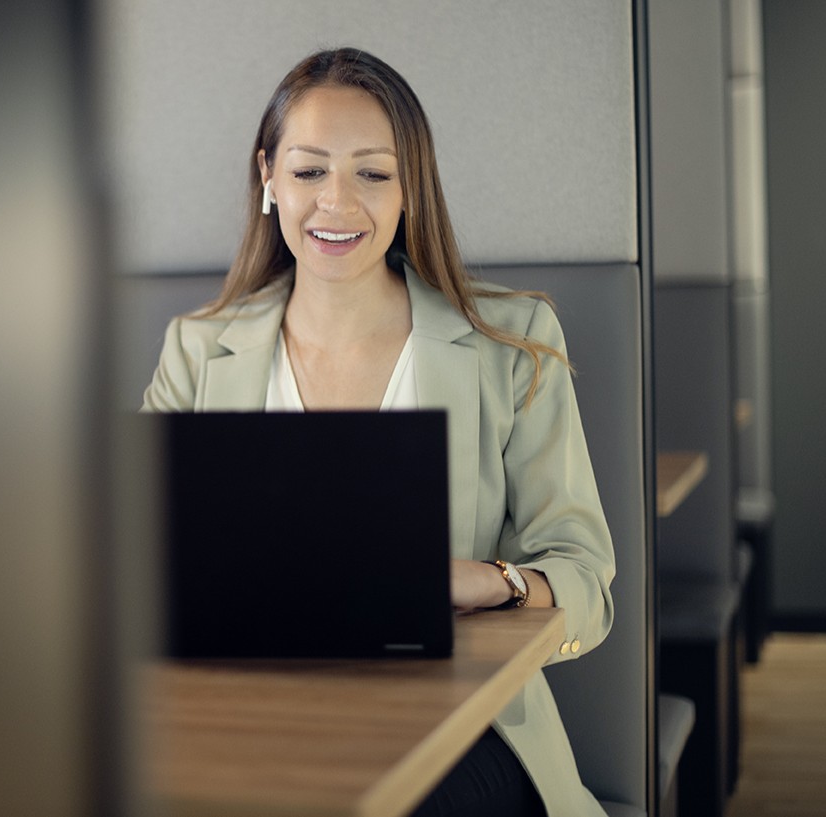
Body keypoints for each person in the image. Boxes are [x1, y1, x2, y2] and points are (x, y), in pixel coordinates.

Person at [142, 47, 615, 817]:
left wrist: (497, 581)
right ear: (267, 176)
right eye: (308, 171)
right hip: (254, 724)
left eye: (372, 172)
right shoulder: (197, 351)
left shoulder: (512, 340)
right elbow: (132, 555)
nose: (338, 203)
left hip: (460, 731)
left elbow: (588, 581)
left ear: (410, 190)